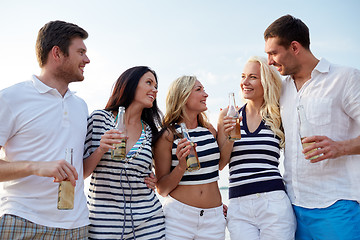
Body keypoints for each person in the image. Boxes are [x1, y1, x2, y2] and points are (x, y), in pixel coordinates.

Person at [264, 14, 360, 239]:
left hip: (337, 205)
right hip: (292, 208)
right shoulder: (281, 90)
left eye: (273, 53)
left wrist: (340, 148)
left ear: (294, 47)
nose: (269, 61)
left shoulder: (345, 78)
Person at [0, 21, 90, 239]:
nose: (87, 60)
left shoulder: (81, 106)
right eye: (81, 52)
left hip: (77, 227)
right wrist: (36, 166)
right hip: (23, 222)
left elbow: (80, 169)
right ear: (57, 53)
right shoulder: (10, 98)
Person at [217, 56, 296, 239]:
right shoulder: (227, 115)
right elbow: (221, 163)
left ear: (266, 82)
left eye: (252, 77)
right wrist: (230, 137)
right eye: (243, 76)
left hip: (273, 202)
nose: (245, 82)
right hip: (238, 206)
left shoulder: (279, 114)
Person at [83, 66, 165, 240]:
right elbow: (82, 172)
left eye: (156, 86)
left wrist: (155, 179)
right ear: (131, 84)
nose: (154, 89)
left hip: (149, 221)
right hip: (104, 222)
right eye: (149, 83)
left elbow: (156, 173)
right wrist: (101, 149)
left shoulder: (150, 131)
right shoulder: (100, 119)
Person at [153, 76, 226, 240]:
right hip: (179, 219)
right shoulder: (167, 135)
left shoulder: (210, 131)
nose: (206, 94)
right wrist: (181, 166)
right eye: (199, 90)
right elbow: (162, 189)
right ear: (183, 96)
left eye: (204, 89)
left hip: (213, 218)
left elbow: (220, 166)